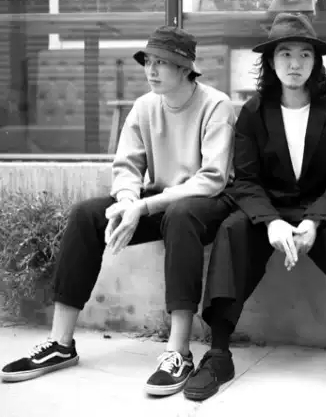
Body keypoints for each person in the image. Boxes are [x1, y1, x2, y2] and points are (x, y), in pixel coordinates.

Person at [0, 26, 237, 398]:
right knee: (87, 214)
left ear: (185, 68)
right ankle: (60, 343)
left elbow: (212, 178)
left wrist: (143, 205)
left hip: (208, 203)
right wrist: (126, 203)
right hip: (158, 199)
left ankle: (179, 351)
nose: (151, 70)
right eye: (149, 61)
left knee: (181, 216)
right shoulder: (144, 107)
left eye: (162, 63)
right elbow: (127, 167)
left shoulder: (216, 105)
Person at [182, 13, 326, 408]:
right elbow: (246, 180)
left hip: (321, 207)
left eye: (304, 54)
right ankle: (218, 354)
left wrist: (313, 221)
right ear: (270, 61)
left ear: (316, 62)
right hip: (268, 208)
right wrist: (270, 222)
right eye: (285, 54)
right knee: (232, 230)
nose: (295, 63)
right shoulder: (254, 111)